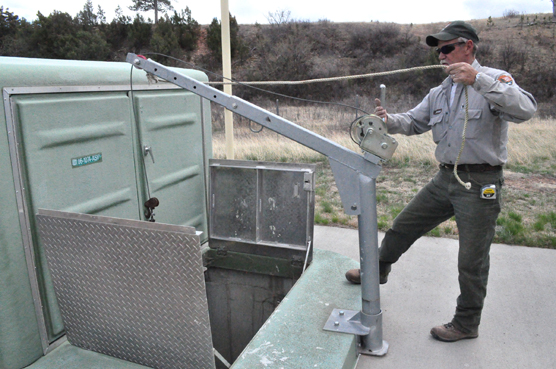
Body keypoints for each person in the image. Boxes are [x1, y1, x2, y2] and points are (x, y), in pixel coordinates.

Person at [345, 21, 537, 342]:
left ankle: (465, 323)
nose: (441, 56)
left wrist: (478, 80)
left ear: (468, 47)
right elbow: (414, 121)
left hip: (480, 184)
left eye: (447, 48)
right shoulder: (440, 92)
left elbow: (526, 109)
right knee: (403, 226)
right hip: (445, 178)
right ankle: (376, 271)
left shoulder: (494, 79)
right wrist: (387, 121)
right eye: (439, 51)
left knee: (471, 259)